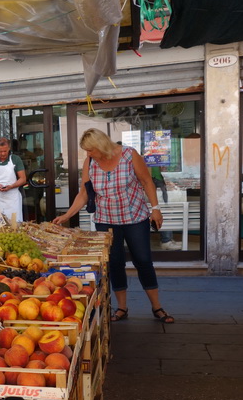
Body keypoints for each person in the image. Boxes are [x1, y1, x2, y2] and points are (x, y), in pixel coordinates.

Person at [53, 128, 174, 323]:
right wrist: (67, 215)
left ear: (101, 146)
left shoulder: (129, 155)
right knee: (115, 263)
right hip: (106, 220)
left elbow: (146, 181)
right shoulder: (90, 162)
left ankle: (156, 307)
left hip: (134, 217)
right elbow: (84, 193)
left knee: (143, 260)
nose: (88, 154)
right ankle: (122, 308)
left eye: (91, 150)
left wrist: (156, 208)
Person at [0, 137, 26, 222]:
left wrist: (11, 186)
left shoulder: (16, 159)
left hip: (13, 200)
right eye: (0, 151)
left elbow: (23, 179)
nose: (3, 153)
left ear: (9, 148)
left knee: (15, 226)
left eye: (5, 151)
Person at [150, 167, 181, 250]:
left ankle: (167, 239)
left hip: (159, 178)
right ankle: (166, 240)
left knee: (166, 208)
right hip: (149, 179)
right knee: (163, 209)